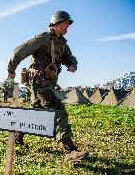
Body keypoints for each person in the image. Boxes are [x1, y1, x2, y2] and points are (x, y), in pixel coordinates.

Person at [7, 11, 88, 161]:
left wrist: (72, 64)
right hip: (39, 83)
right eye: (65, 25)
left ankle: (18, 133)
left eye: (67, 26)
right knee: (58, 110)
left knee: (36, 113)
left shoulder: (61, 43)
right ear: (56, 24)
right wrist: (11, 70)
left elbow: (69, 57)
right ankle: (70, 150)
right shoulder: (43, 39)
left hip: (49, 84)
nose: (67, 28)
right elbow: (19, 51)